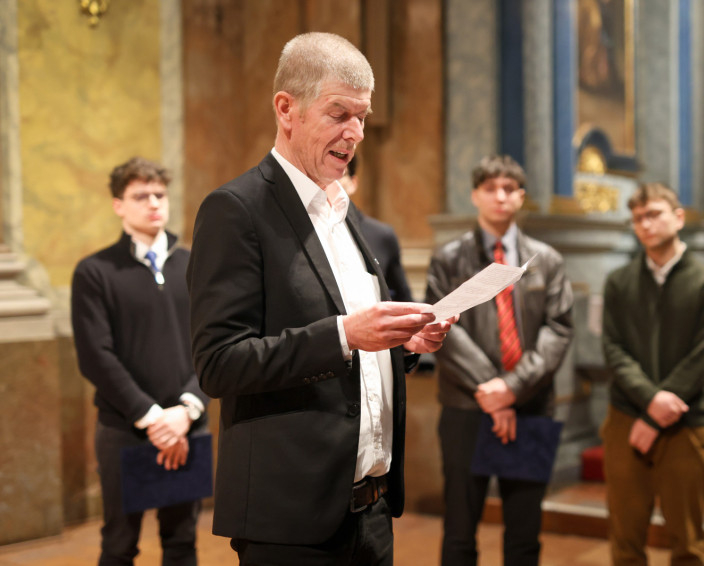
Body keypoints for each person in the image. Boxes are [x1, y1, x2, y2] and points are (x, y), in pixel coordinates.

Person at [186, 32, 455, 566]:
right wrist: (344, 335)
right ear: (287, 109)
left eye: (362, 116)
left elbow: (360, 350)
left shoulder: (344, 214)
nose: (355, 133)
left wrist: (404, 343)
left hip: (372, 510)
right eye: (339, 114)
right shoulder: (236, 210)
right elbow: (218, 364)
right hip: (292, 519)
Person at [425, 154, 574, 566]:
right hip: (466, 407)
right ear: (475, 195)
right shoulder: (448, 257)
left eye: (509, 189)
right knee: (459, 532)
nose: (500, 197)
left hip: (530, 405)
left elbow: (559, 329)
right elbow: (442, 327)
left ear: (521, 197)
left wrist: (511, 388)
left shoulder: (547, 260)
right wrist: (491, 389)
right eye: (490, 188)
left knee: (524, 535)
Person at [71, 156, 209, 565]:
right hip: (126, 428)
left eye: (159, 194)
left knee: (182, 543)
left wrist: (185, 411)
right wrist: (153, 419)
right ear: (118, 205)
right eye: (140, 196)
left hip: (188, 424)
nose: (153, 203)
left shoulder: (194, 264)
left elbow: (213, 343)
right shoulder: (95, 271)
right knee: (119, 545)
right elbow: (95, 356)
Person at [601, 182, 704, 566]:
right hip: (626, 417)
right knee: (625, 540)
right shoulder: (618, 281)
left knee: (688, 543)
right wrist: (651, 400)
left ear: (679, 217)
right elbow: (613, 349)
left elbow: (702, 357)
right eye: (638, 218)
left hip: (684, 420)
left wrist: (656, 414)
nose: (645, 224)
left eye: (654, 214)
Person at [339, 153, 414, 302]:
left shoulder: (382, 235)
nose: (331, 182)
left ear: (353, 183)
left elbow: (403, 299)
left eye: (341, 174)